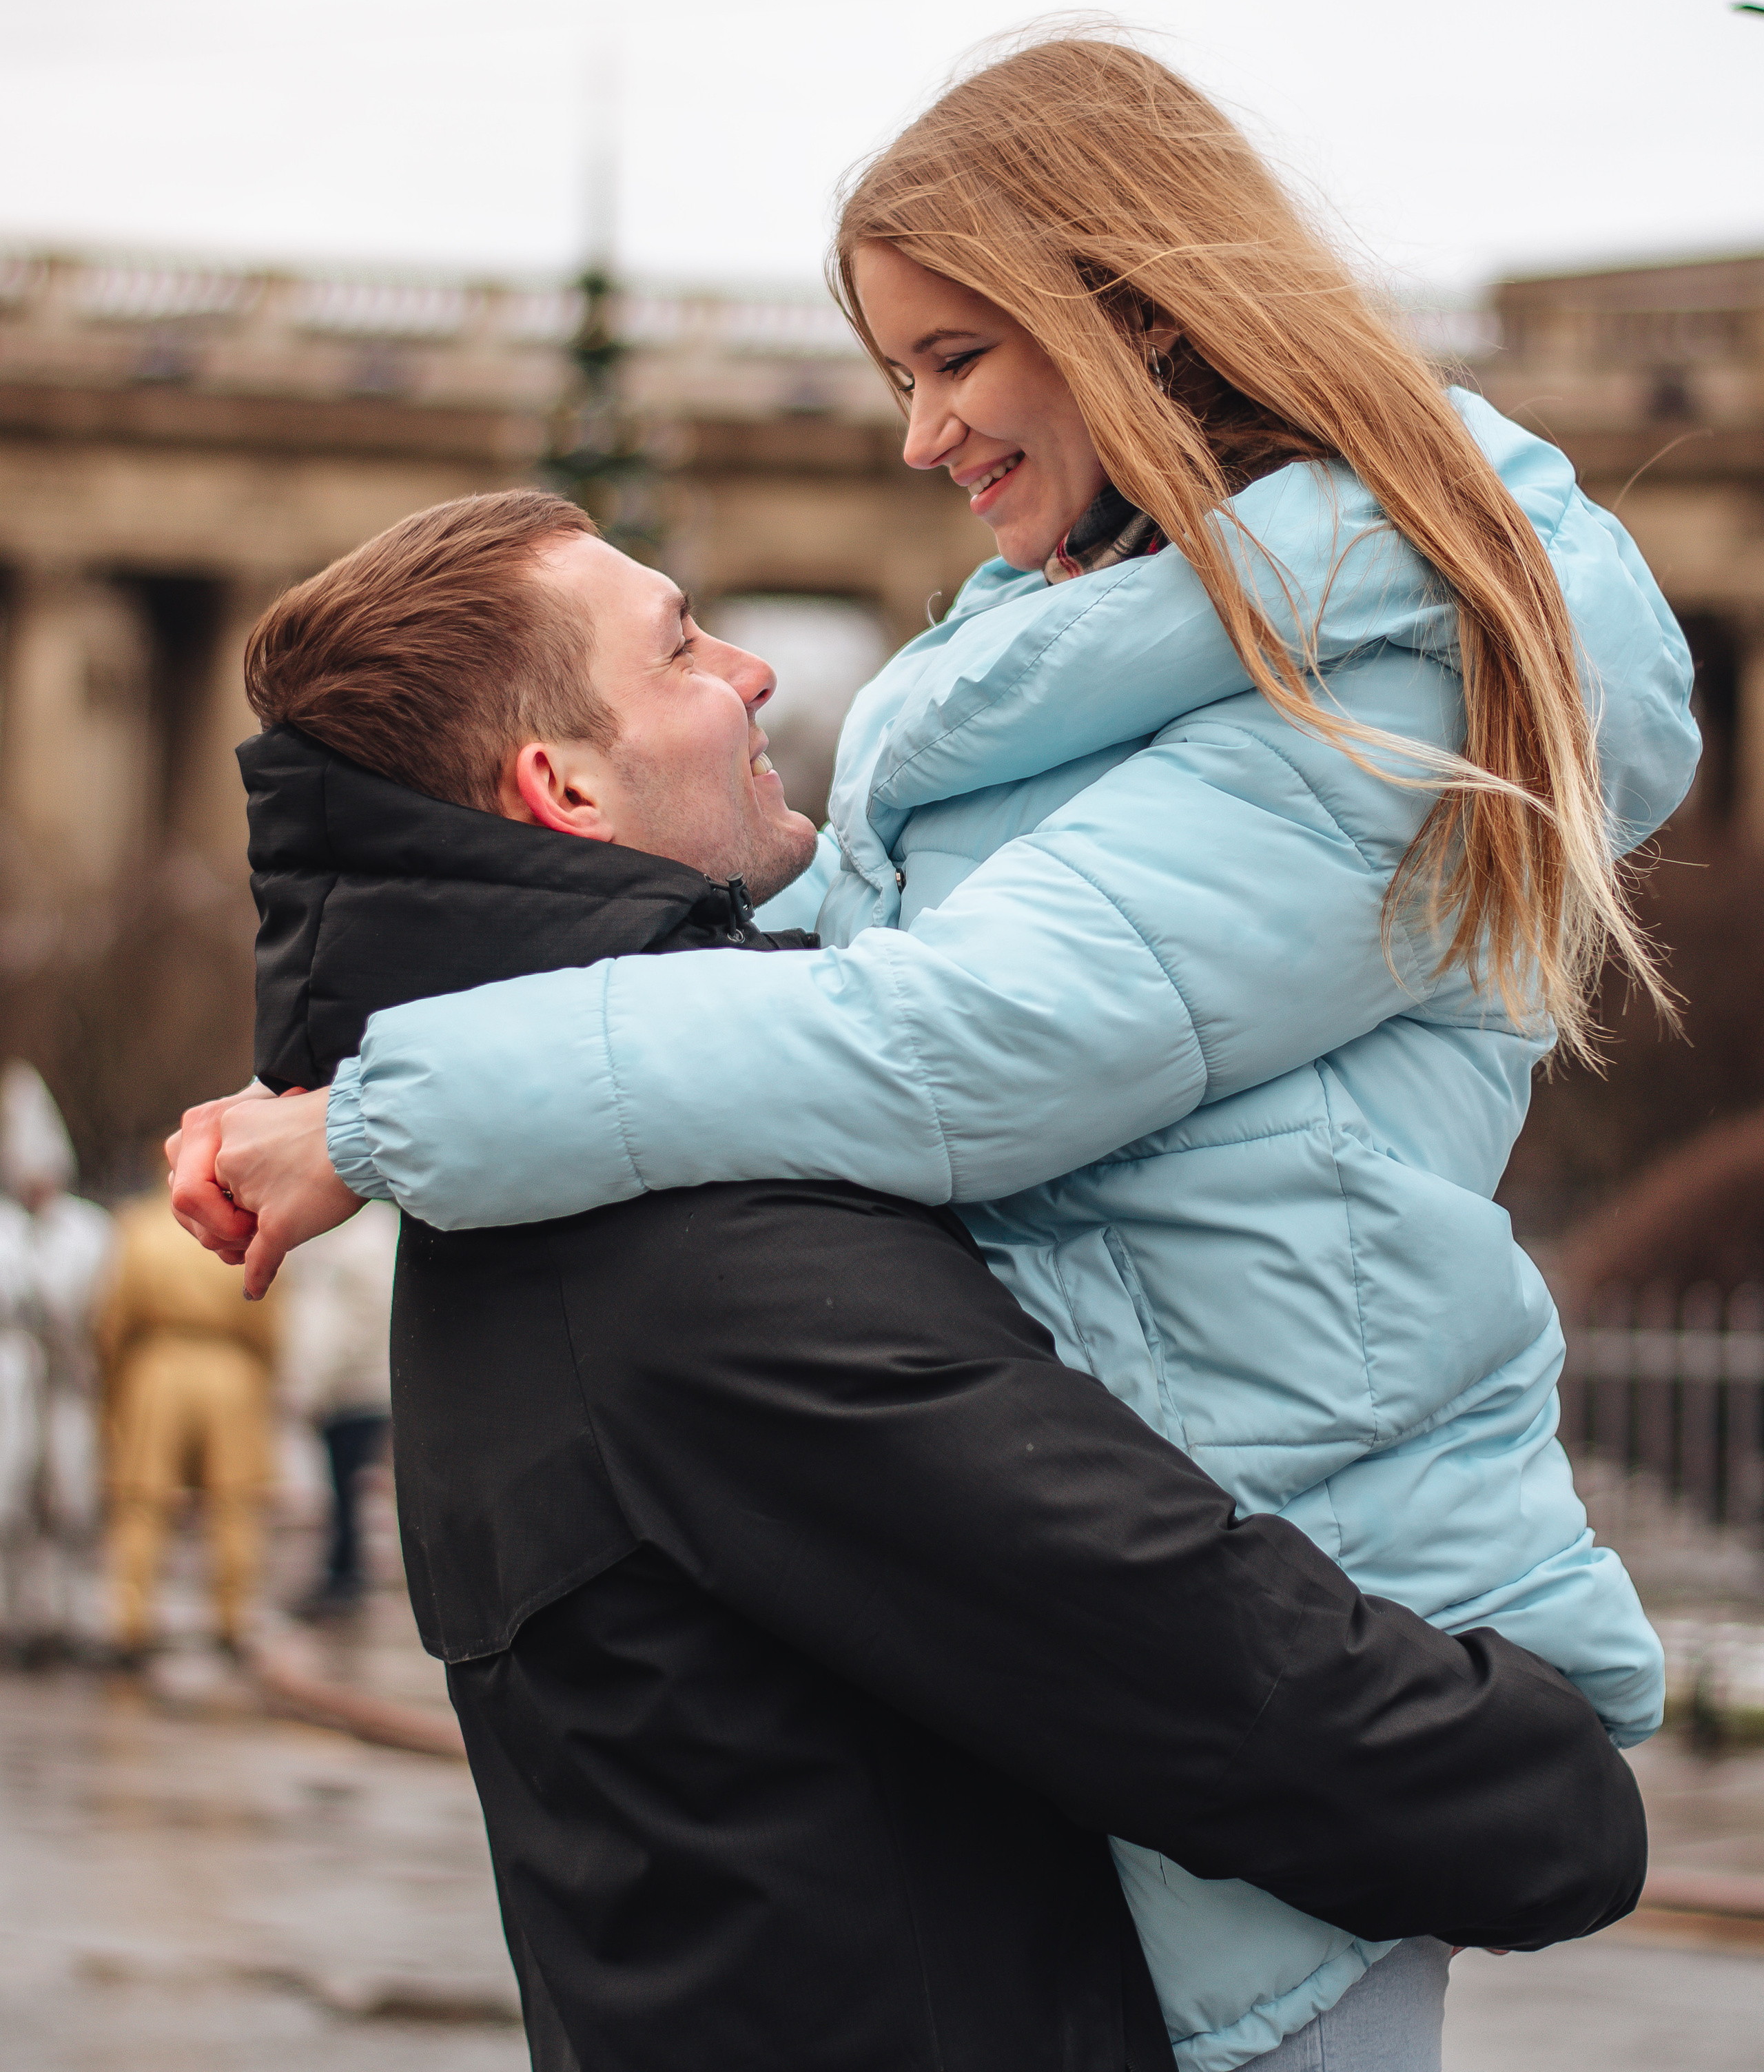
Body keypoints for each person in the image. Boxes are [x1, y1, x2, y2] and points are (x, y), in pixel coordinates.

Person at [172, 489, 1646, 2072]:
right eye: (679, 647)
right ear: (563, 784)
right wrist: (1538, 1786)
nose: (752, 674)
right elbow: (1161, 1638)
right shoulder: (681, 1249)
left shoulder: (558, 1190)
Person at [96, 1180, 281, 1659]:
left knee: (142, 1499)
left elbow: (116, 1315)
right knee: (235, 1501)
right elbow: (269, 1315)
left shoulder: (139, 1227)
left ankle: (131, 1620)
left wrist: (115, 1386)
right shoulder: (245, 1225)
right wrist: (264, 1375)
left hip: (158, 1365)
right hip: (230, 1367)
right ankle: (232, 1619)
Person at [0, 1063, 112, 1659]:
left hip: (71, 1382)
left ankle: (74, 1615)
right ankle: (14, 1615)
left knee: (75, 1504)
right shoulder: (5, 1232)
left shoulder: (88, 1231)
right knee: (8, 1504)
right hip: (13, 1380)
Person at [280, 1200, 396, 1619]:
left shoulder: (362, 1240)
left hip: (356, 1385)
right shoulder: (359, 1234)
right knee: (341, 1485)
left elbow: (356, 1320)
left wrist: (319, 1379)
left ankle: (345, 1574)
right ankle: (342, 1569)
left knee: (346, 1485)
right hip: (347, 1383)